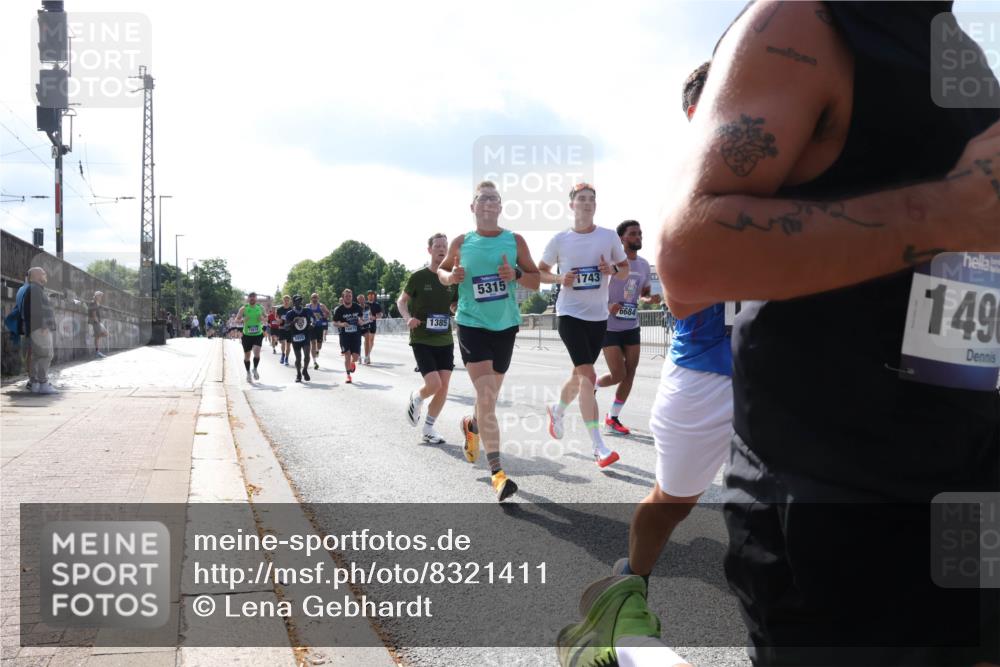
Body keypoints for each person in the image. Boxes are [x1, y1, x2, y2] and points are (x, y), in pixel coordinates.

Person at [653, 3, 998, 665]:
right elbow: (688, 262)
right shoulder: (804, 21)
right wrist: (950, 210)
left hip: (967, 476)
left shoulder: (959, 51)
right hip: (836, 507)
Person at [436, 180, 541, 501]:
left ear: (500, 206)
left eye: (494, 199)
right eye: (482, 199)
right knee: (486, 394)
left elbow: (536, 282)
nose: (488, 204)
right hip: (471, 324)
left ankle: (472, 424)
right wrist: (450, 277)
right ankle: (498, 473)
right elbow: (440, 271)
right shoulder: (461, 242)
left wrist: (518, 276)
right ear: (473, 207)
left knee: (487, 402)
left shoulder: (515, 240)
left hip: (505, 326)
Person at [538, 182, 629, 469]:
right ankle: (599, 447)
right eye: (581, 199)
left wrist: (611, 269)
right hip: (569, 315)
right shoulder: (560, 240)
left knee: (579, 377)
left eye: (591, 199)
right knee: (588, 376)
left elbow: (624, 270)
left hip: (598, 317)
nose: (587, 203)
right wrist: (558, 279)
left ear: (595, 205)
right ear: (572, 205)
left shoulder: (608, 236)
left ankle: (557, 408)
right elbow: (540, 272)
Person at [597, 220, 660, 434]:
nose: (638, 237)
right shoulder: (611, 262)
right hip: (610, 327)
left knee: (630, 372)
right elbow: (595, 291)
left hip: (631, 325)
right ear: (621, 238)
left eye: (640, 233)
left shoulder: (643, 264)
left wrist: (651, 298)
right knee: (618, 374)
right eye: (633, 233)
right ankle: (593, 386)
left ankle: (613, 417)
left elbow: (643, 292)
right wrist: (607, 305)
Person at [400, 233, 458, 445]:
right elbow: (401, 301)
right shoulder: (419, 277)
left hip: (444, 338)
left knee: (443, 387)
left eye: (445, 246)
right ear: (430, 250)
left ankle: (429, 428)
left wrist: (457, 309)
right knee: (433, 384)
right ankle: (417, 396)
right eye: (438, 246)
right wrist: (408, 318)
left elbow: (453, 304)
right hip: (422, 337)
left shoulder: (452, 279)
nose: (442, 249)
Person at [21, 267, 57, 394]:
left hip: (35, 328)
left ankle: (35, 383)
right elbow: (36, 308)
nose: (45, 274)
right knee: (46, 355)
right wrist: (44, 326)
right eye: (42, 273)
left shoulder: (34, 289)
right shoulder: (35, 289)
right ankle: (43, 383)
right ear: (36, 276)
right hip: (40, 328)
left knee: (37, 356)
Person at [331, 288, 364, 384]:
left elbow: (361, 318)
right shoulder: (339, 309)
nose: (348, 298)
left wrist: (361, 321)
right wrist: (341, 324)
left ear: (352, 297)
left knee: (356, 357)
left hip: (356, 334)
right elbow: (334, 323)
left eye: (350, 296)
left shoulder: (357, 307)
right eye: (346, 296)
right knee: (347, 355)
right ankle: (348, 375)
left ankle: (352, 363)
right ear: (343, 297)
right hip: (344, 335)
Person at [236, 292, 266, 383]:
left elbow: (266, 318)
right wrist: (242, 320)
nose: (252, 298)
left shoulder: (260, 308)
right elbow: (236, 320)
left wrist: (263, 319)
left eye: (254, 297)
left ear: (256, 298)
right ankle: (248, 372)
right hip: (247, 335)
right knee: (247, 356)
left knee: (257, 353)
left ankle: (255, 369)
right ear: (248, 298)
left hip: (258, 334)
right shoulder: (244, 308)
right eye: (250, 297)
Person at [283, 295, 313, 383]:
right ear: (293, 302)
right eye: (296, 301)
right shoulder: (290, 313)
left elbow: (314, 319)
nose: (298, 302)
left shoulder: (307, 311)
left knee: (307, 356)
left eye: (300, 300)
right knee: (298, 358)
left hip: (306, 335)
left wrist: (312, 324)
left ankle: (305, 370)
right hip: (295, 337)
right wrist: (293, 322)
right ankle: (299, 374)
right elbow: (286, 327)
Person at [308, 292, 331, 370]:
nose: (314, 299)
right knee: (313, 343)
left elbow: (328, 313)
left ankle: (317, 351)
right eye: (313, 297)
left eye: (316, 297)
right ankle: (314, 362)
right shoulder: (308, 306)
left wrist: (324, 315)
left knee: (319, 345)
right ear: (311, 299)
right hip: (311, 327)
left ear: (318, 298)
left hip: (319, 327)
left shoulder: (321, 306)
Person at [362, 289, 383, 364]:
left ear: (374, 296)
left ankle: (367, 355)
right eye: (370, 295)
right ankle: (367, 357)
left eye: (372, 295)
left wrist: (376, 317)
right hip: (365, 324)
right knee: (367, 340)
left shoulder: (377, 305)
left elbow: (380, 314)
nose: (371, 296)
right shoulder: (364, 304)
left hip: (373, 323)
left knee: (372, 341)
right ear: (367, 296)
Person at [87, 290, 108, 358]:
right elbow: (94, 313)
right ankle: (97, 352)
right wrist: (97, 322)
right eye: (100, 296)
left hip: (97, 321)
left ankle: (97, 351)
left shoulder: (96, 303)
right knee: (99, 336)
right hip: (95, 322)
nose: (101, 297)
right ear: (96, 296)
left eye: (101, 296)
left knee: (103, 334)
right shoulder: (93, 303)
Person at [276, 294, 292, 365]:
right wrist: (279, 320)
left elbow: (294, 318)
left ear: (289, 301)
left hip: (289, 329)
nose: (286, 301)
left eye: (287, 300)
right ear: (283, 301)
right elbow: (276, 317)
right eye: (285, 300)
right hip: (281, 328)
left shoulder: (291, 309)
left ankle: (287, 358)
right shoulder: (279, 309)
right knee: (282, 343)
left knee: (288, 345)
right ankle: (283, 355)